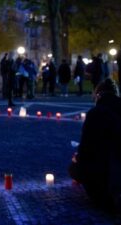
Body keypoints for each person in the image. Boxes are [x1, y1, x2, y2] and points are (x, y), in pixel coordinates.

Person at [69, 78, 121, 211]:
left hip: (106, 184)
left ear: (98, 95)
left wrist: (78, 158)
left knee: (73, 167)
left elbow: (86, 148)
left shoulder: (96, 113)